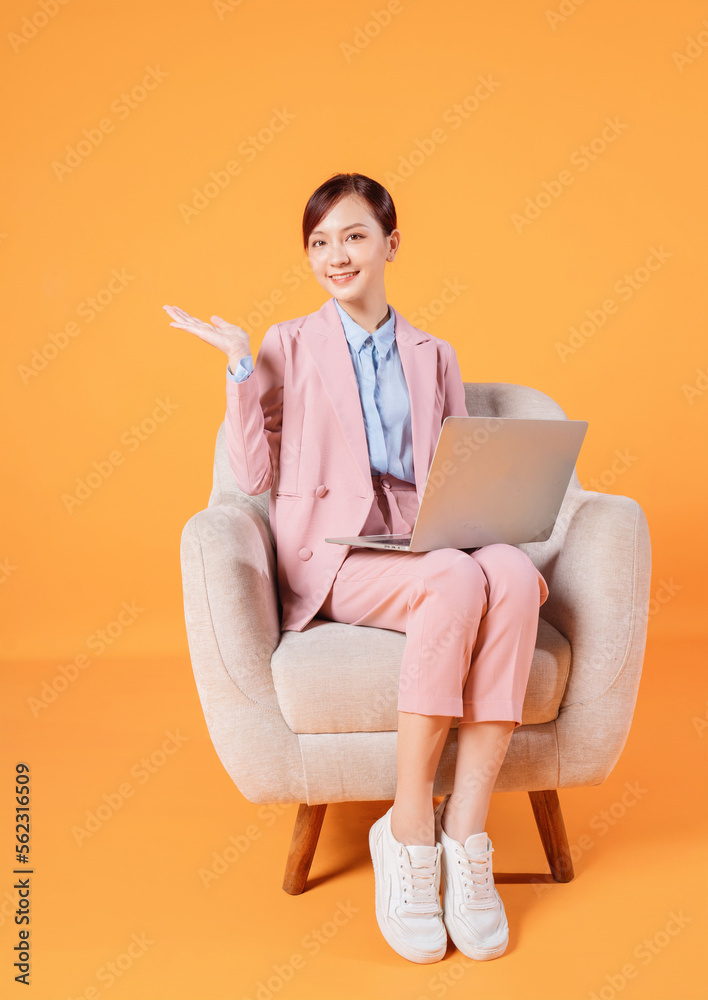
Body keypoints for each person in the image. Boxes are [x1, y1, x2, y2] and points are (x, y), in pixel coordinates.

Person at [163, 171, 549, 966]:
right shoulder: (288, 344)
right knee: (459, 580)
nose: (335, 255)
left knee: (508, 572)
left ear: (390, 244)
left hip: (430, 540)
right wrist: (239, 367)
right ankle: (408, 828)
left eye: (353, 236)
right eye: (318, 242)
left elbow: (460, 462)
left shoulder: (433, 353)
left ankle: (465, 833)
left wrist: (492, 512)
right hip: (339, 557)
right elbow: (253, 473)